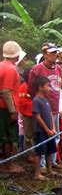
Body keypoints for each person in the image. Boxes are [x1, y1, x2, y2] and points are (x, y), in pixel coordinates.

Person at [0, 41, 24, 173]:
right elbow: (6, 91)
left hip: (2, 106)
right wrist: (13, 111)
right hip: (5, 108)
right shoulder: (11, 69)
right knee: (7, 137)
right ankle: (7, 165)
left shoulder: (1, 65)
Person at [32, 76, 57, 180]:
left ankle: (49, 170)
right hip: (40, 131)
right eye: (47, 85)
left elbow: (51, 114)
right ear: (40, 87)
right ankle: (37, 173)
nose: (49, 88)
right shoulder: (36, 100)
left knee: (49, 150)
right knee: (39, 152)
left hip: (50, 130)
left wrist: (53, 128)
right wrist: (46, 129)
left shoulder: (45, 100)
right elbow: (37, 117)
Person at [19, 68, 34, 162]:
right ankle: (29, 154)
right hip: (27, 114)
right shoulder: (23, 87)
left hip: (36, 114)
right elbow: (22, 102)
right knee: (28, 135)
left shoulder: (34, 86)